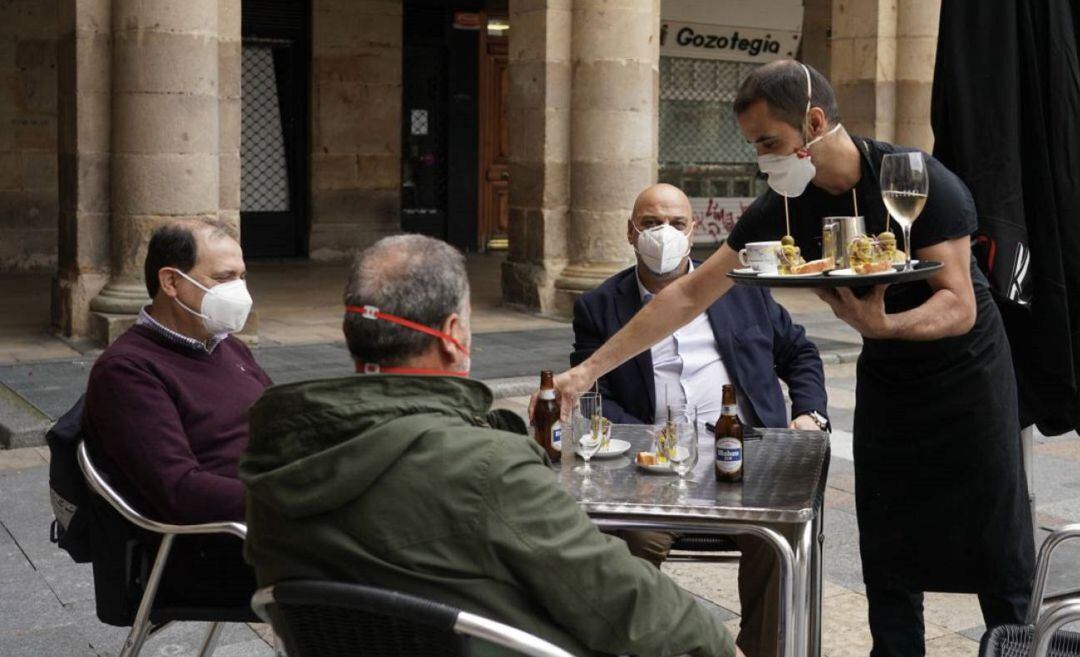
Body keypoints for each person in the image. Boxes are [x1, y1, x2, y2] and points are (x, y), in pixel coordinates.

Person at [544, 60, 1034, 657]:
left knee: (993, 530)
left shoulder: (912, 180)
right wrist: (586, 372)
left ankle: (1013, 642)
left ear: (815, 123)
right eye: (754, 147)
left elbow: (959, 305)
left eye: (769, 143)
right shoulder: (783, 201)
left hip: (967, 375)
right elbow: (690, 294)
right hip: (889, 373)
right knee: (889, 536)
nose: (762, 160)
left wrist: (882, 324)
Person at [240, 234, 741, 657]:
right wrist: (721, 644)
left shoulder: (276, 449)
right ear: (453, 334)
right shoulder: (488, 468)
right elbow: (621, 599)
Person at [570, 182, 827, 657]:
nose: (663, 233)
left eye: (676, 223)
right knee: (629, 541)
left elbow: (801, 353)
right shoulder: (599, 306)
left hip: (749, 458)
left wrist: (809, 414)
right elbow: (595, 396)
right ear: (630, 232)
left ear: (693, 232)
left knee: (780, 540)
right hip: (654, 472)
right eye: (650, 223)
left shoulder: (741, 288)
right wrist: (649, 442)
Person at [82, 218, 271, 614]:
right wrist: (293, 499)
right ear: (171, 282)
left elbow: (281, 423)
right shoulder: (127, 371)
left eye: (241, 276)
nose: (240, 291)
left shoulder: (227, 348)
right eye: (224, 278)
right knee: (384, 566)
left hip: (271, 522)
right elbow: (179, 491)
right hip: (212, 551)